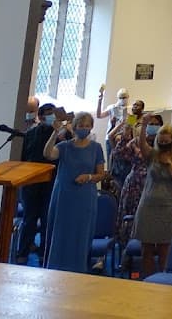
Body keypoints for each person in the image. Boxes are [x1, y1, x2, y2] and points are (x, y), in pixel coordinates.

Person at [43, 111, 106, 272]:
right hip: (64, 196)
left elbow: (101, 174)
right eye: (80, 125)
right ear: (75, 126)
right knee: (60, 232)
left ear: (91, 127)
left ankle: (78, 269)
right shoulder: (64, 146)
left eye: (87, 126)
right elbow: (48, 154)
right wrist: (55, 133)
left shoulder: (96, 148)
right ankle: (55, 267)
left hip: (85, 198)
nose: (84, 128)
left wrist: (89, 176)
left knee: (80, 234)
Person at [132, 118, 172, 278]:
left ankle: (164, 280)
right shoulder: (152, 154)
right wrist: (143, 126)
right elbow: (142, 145)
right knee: (147, 248)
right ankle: (148, 279)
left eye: (166, 142)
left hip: (168, 208)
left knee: (165, 248)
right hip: (148, 206)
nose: (163, 145)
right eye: (160, 141)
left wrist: (169, 163)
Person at [16, 102, 56, 264]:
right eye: (48, 113)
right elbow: (23, 157)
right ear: (40, 116)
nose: (51, 116)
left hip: (50, 183)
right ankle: (23, 252)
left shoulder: (59, 135)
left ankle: (44, 254)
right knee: (29, 220)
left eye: (53, 113)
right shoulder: (30, 134)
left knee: (47, 220)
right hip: (31, 184)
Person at [117, 112, 163, 247]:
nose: (153, 127)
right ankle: (127, 251)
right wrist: (125, 136)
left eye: (156, 124)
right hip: (135, 185)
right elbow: (120, 154)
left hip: (154, 186)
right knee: (131, 216)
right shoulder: (137, 141)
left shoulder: (164, 143)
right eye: (150, 124)